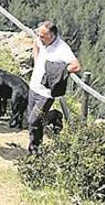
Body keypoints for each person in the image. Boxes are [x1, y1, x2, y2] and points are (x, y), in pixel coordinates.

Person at [28, 21, 80, 155]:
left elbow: (76, 66)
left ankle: (35, 150)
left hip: (46, 92)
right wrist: (37, 61)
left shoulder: (62, 48)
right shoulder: (41, 41)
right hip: (34, 85)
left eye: (43, 36)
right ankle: (54, 116)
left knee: (33, 121)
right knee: (33, 119)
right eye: (39, 35)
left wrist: (58, 72)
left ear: (52, 36)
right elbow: (36, 42)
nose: (40, 38)